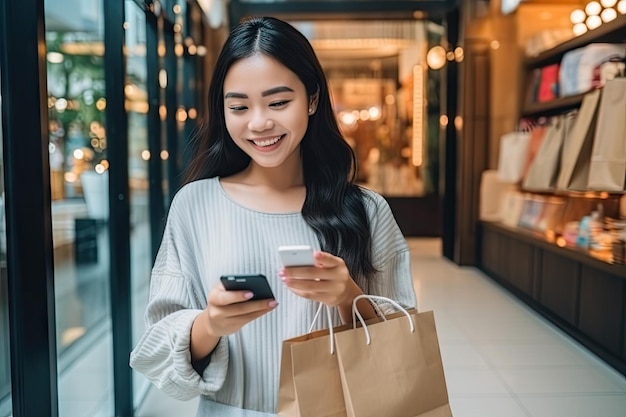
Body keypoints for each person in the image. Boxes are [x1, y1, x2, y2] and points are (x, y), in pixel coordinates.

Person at [129, 16, 417, 416]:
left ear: (312, 99)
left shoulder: (366, 210)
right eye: (239, 107)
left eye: (279, 102)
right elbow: (158, 344)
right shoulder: (194, 205)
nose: (259, 122)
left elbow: (404, 339)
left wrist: (348, 296)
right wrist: (211, 323)